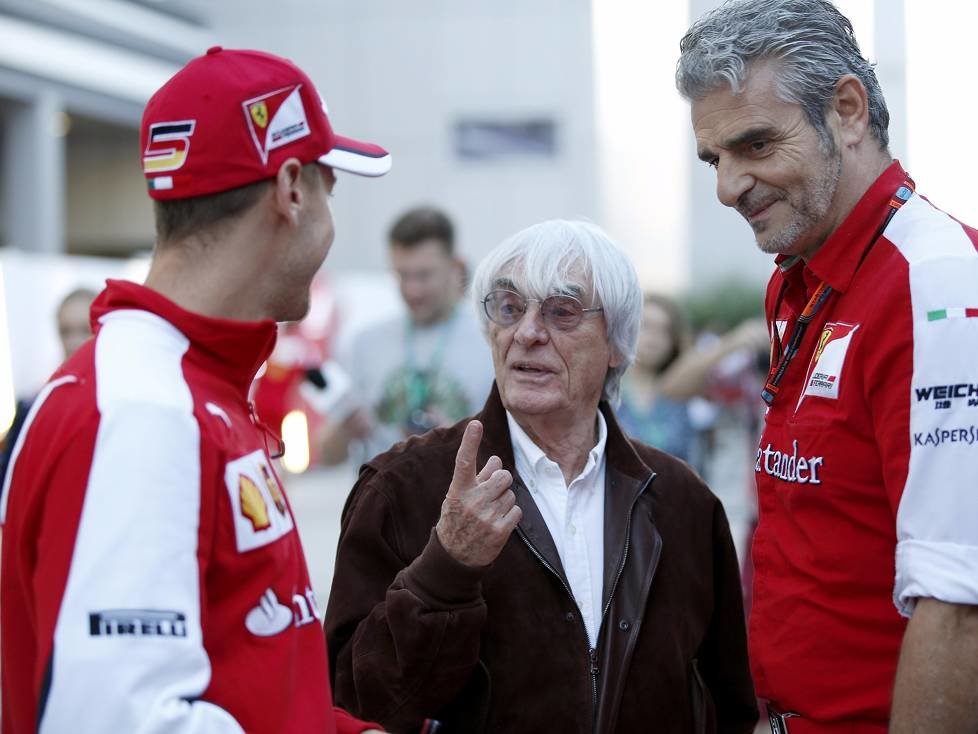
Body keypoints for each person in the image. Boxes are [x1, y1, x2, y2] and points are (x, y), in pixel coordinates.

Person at [0, 47, 391, 734]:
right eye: (333, 190)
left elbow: (241, 675)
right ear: (292, 190)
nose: (331, 224)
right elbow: (116, 721)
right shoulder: (145, 409)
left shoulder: (181, 386)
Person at [325, 220, 758, 733]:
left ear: (617, 343)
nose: (527, 332)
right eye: (509, 308)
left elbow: (727, 701)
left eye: (562, 311)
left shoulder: (682, 500)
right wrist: (445, 569)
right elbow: (354, 697)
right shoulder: (402, 486)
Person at [677, 2, 978, 731]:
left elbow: (960, 603)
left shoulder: (934, 283)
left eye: (755, 144)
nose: (728, 186)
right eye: (715, 158)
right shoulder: (795, 277)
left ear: (846, 110)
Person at [320, 206, 494, 466]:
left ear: (454, 266)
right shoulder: (366, 344)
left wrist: (456, 440)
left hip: (461, 501)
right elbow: (328, 455)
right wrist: (346, 428)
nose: (412, 289)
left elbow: (512, 451)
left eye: (424, 275)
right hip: (380, 500)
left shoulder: (490, 341)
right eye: (402, 275)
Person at [617, 292, 767, 469]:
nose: (654, 338)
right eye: (646, 326)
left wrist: (737, 342)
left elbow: (673, 384)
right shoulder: (609, 389)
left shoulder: (684, 386)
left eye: (665, 330)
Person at [0, 287, 98, 482]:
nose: (74, 341)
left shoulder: (115, 402)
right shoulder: (33, 404)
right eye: (66, 331)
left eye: (84, 329)